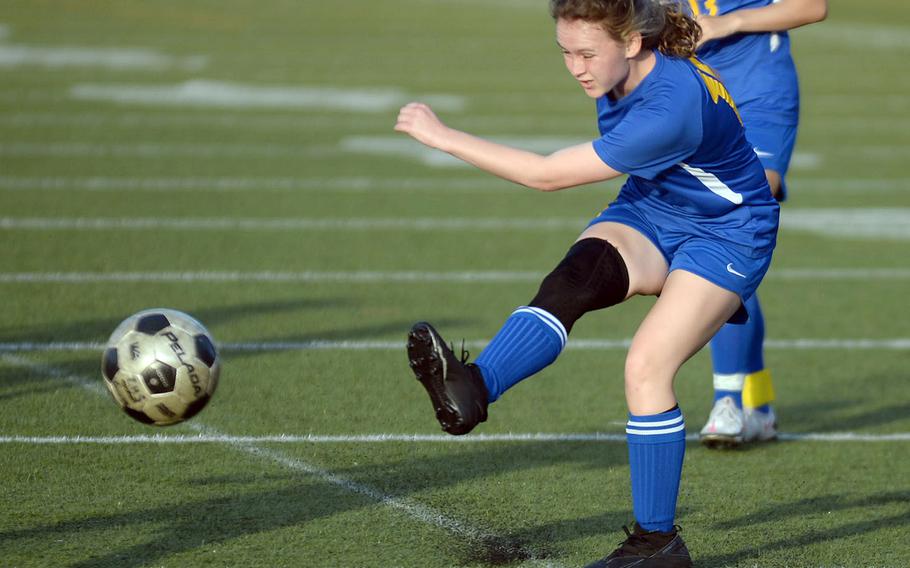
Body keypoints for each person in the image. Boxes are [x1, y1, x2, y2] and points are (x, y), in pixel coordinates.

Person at [395, 0, 779, 565]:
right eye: (566, 53)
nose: (576, 67)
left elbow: (546, 175)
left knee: (646, 367)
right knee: (575, 277)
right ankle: (474, 386)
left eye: (587, 53)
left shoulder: (668, 108)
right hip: (656, 203)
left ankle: (658, 545)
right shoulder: (627, 64)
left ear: (630, 43)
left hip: (728, 232)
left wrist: (443, 136)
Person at [691, 0, 828, 449]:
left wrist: (729, 22)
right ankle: (760, 405)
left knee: (731, 227)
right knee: (725, 256)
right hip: (695, 95)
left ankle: (727, 402)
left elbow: (812, 6)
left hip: (761, 91)